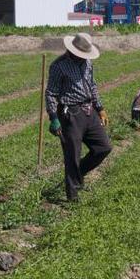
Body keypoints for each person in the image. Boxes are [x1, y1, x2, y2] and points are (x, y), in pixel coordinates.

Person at [46, 32, 111, 202]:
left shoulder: (88, 63)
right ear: (72, 50)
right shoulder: (58, 66)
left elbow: (93, 85)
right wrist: (53, 117)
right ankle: (73, 196)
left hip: (89, 111)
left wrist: (100, 108)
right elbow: (51, 93)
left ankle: (77, 173)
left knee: (103, 147)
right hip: (70, 114)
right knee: (72, 155)